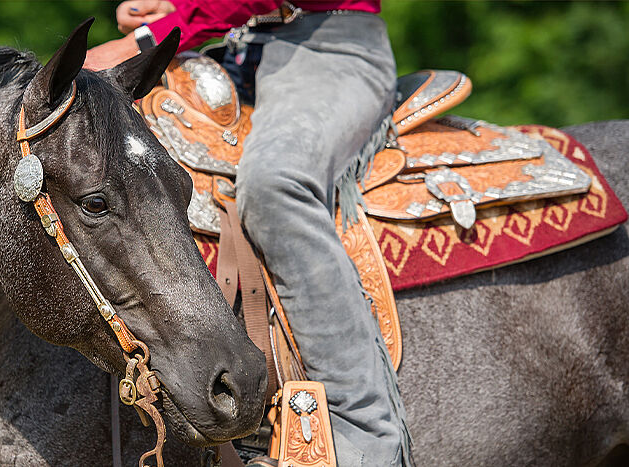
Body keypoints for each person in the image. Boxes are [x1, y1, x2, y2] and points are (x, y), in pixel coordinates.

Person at [85, 1, 412, 466]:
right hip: (231, 55)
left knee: (274, 184)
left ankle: (364, 430)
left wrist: (150, 36)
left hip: (329, 50)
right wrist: (171, 7)